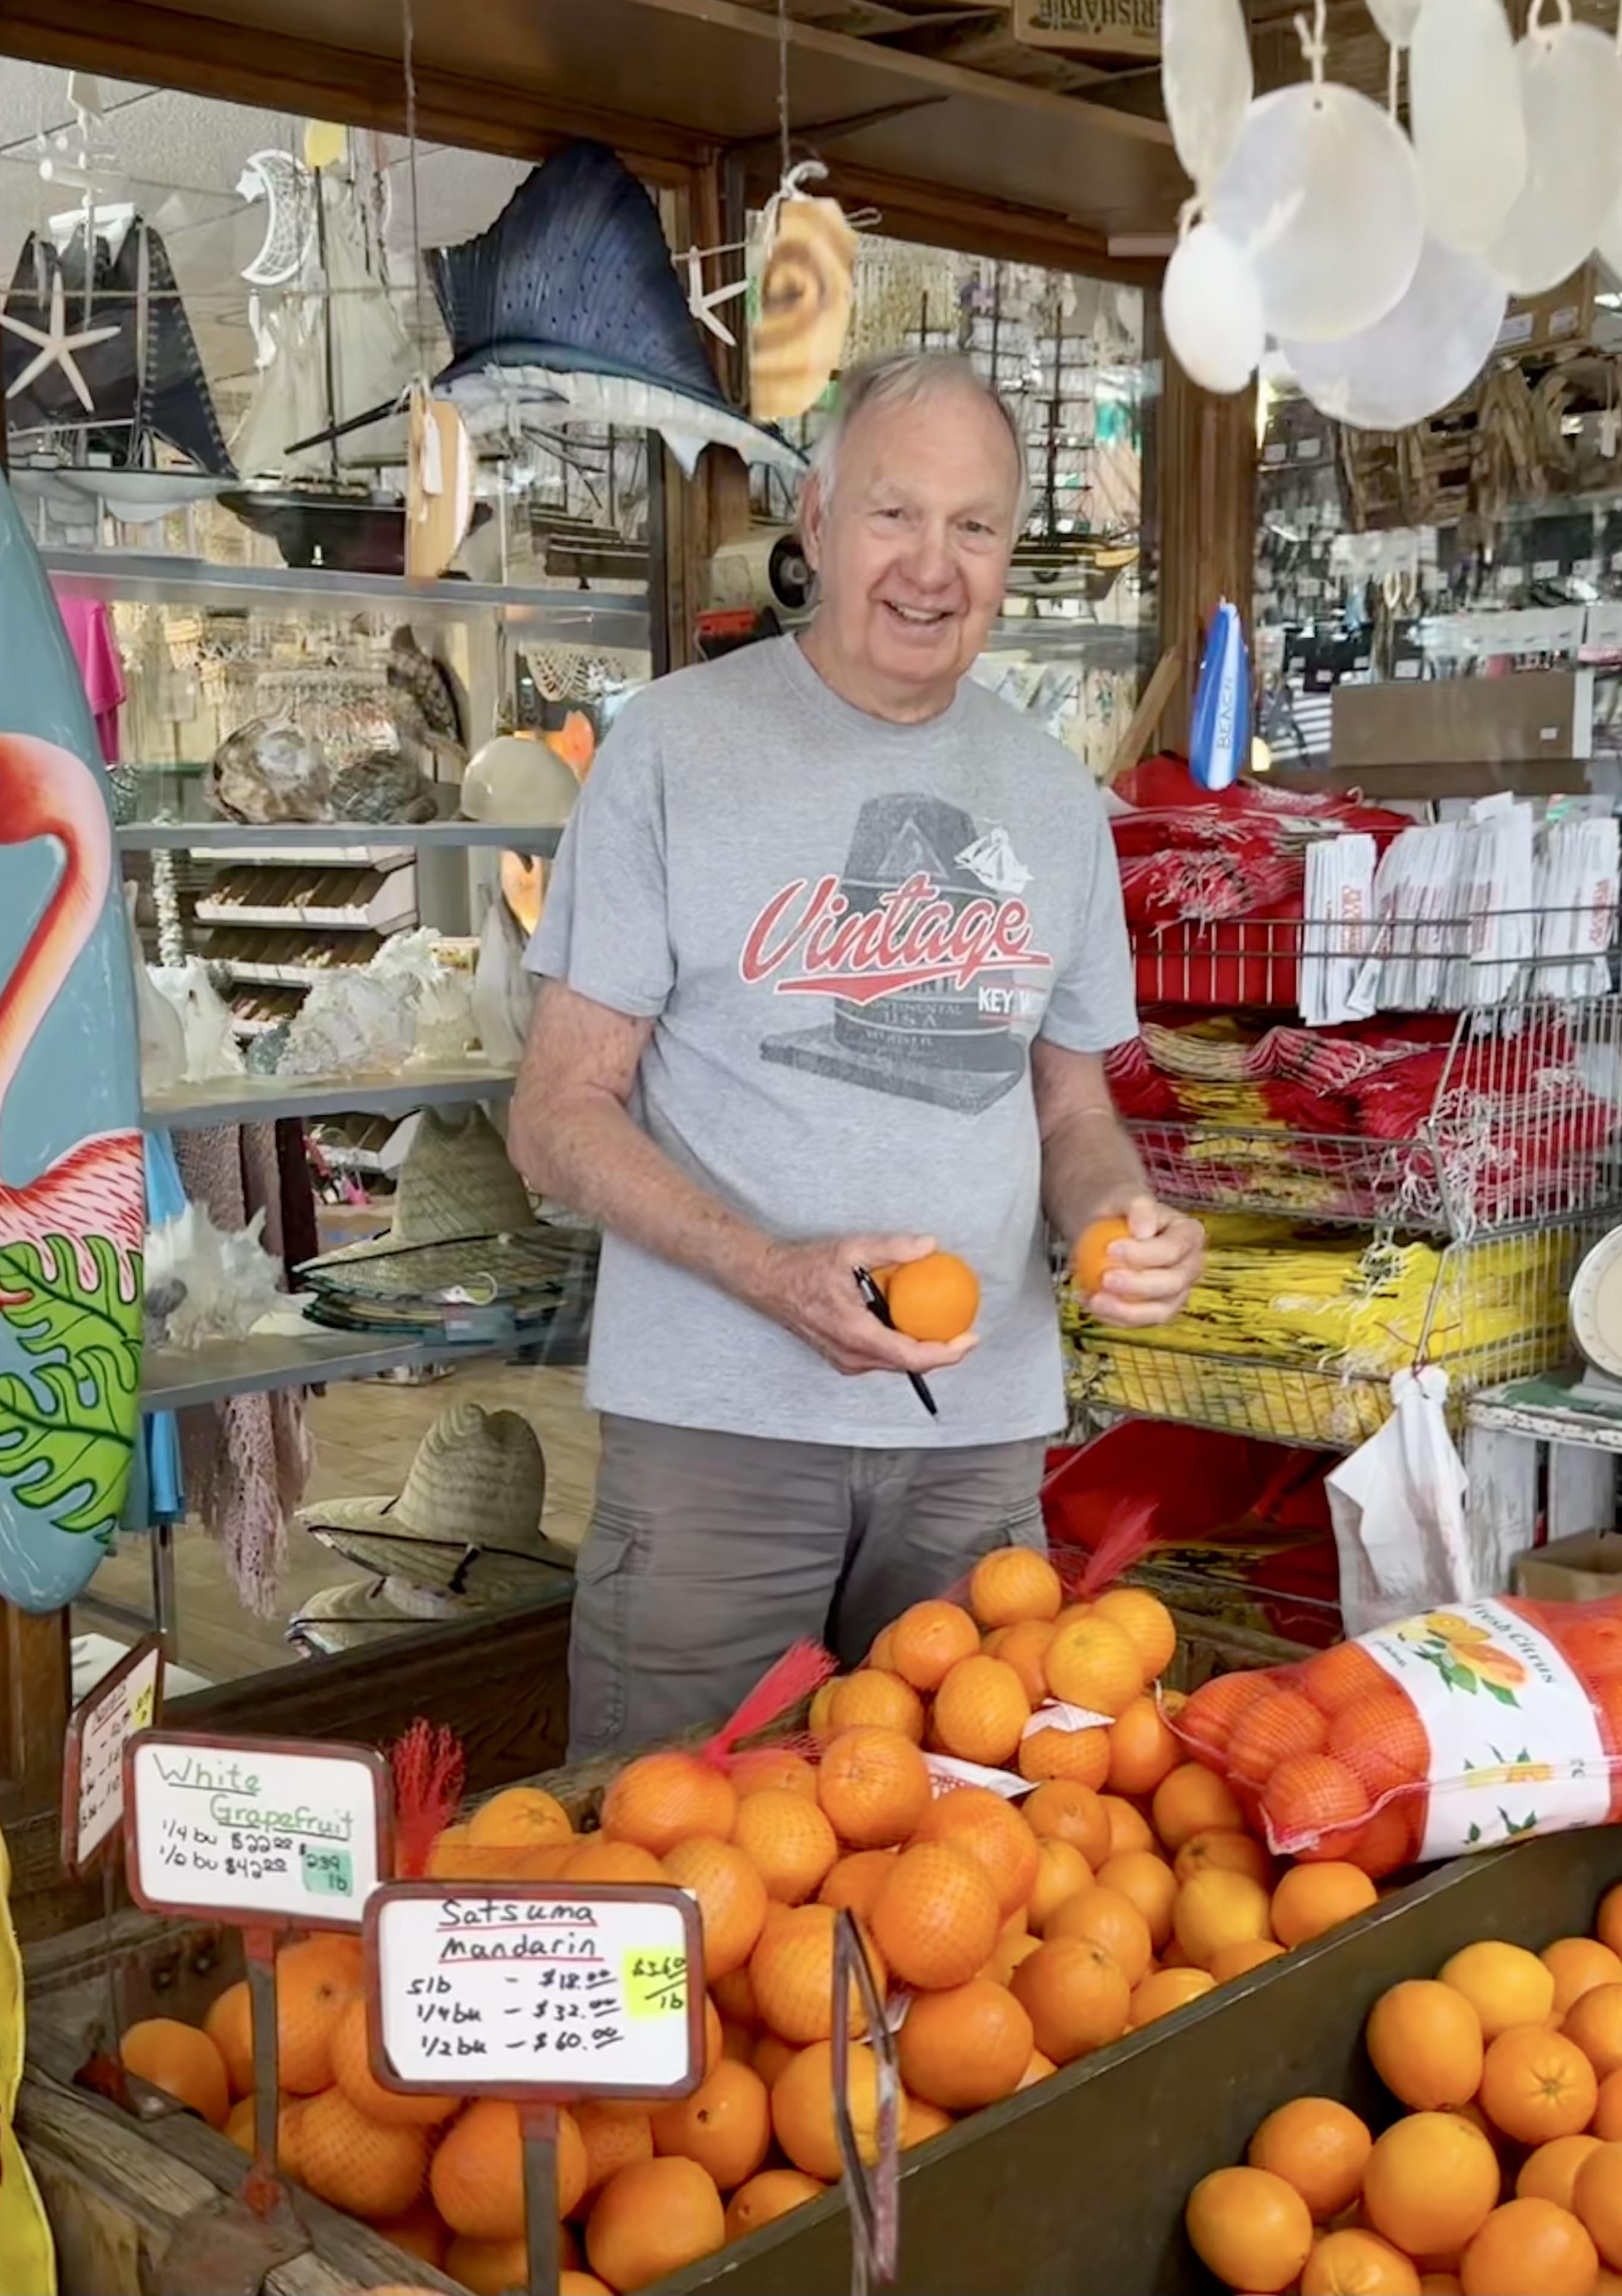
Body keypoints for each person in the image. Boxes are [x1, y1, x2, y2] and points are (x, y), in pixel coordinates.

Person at [514, 347, 1206, 1759]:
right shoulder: (670, 752)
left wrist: (1115, 1221)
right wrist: (771, 1273)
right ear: (817, 521)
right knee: (674, 1847)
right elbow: (557, 1115)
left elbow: (1073, 1109)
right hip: (716, 1434)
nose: (931, 567)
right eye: (896, 515)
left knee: (971, 1863)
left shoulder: (1054, 797)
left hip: (979, 1444)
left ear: (1013, 553)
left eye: (976, 526)